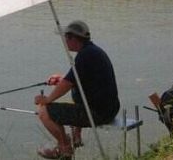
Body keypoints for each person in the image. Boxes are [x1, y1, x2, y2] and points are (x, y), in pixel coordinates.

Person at [33, 20, 120, 159]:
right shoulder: (92, 51)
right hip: (109, 109)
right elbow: (76, 80)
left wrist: (47, 99)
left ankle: (64, 149)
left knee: (44, 111)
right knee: (74, 97)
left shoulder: (85, 55)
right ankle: (75, 138)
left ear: (73, 38)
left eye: (66, 37)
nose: (65, 41)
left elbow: (68, 83)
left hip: (97, 113)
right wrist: (61, 79)